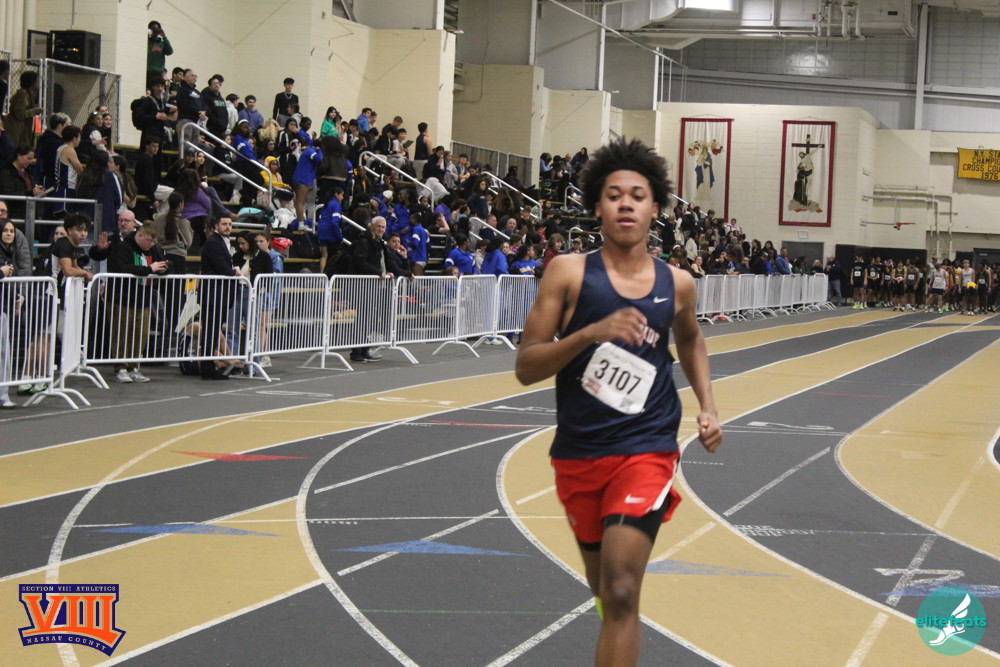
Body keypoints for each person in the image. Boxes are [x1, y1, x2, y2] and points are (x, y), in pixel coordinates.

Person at [514, 138, 721, 667]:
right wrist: (590, 333)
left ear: (656, 208)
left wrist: (708, 405)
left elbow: (691, 340)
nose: (625, 204)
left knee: (623, 589)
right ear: (597, 206)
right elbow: (526, 366)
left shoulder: (678, 283)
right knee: (607, 595)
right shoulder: (567, 272)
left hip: (646, 446)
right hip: (579, 452)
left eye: (637, 196)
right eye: (613, 195)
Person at [106, 222, 168, 383]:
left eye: (154, 241)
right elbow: (123, 268)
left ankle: (134, 367)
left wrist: (163, 269)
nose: (151, 244)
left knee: (141, 334)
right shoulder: (123, 248)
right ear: (139, 236)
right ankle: (121, 367)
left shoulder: (153, 249)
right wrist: (150, 269)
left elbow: (163, 264)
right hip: (123, 298)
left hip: (143, 299)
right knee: (122, 333)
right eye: (149, 240)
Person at [6, 71, 42, 150]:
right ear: (32, 82)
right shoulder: (22, 94)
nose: (38, 83)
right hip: (16, 130)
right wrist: (34, 111)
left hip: (22, 130)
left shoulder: (29, 94)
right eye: (37, 81)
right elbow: (20, 114)